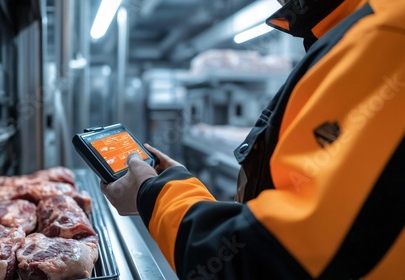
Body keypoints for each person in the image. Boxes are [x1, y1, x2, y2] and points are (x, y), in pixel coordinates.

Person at [101, 0, 405, 278]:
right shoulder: (344, 34)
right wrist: (176, 183)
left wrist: (152, 194)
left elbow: (266, 258)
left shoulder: (383, 36)